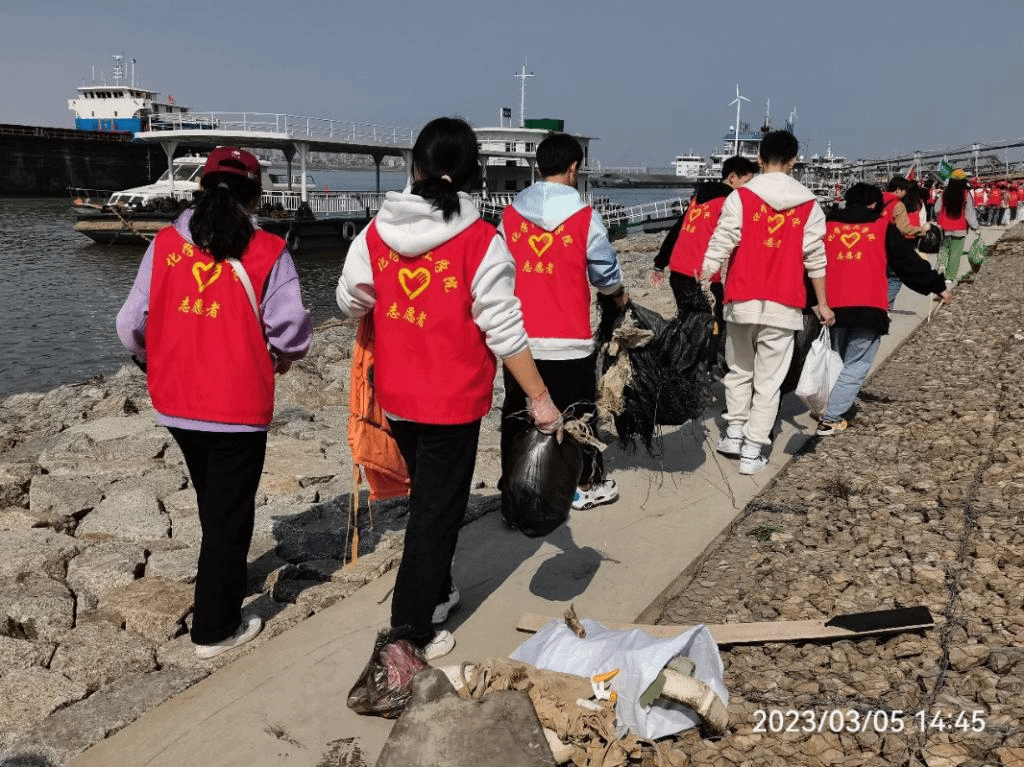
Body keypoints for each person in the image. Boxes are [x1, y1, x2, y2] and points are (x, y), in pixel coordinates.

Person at [335, 117, 562, 661]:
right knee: (435, 515)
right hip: (453, 403)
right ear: (472, 175)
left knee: (429, 500)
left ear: (413, 167)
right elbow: (505, 331)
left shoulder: (376, 233)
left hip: (397, 396)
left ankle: (436, 596)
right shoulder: (482, 241)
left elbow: (348, 301)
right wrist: (541, 399)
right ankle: (409, 630)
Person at [116, 146, 313, 659]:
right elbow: (290, 328)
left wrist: (150, 358)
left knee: (214, 500)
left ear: (201, 188)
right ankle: (215, 627)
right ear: (257, 196)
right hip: (237, 404)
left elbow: (130, 324)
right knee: (230, 514)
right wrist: (285, 356)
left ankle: (220, 577)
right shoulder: (268, 250)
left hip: (176, 400)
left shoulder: (165, 243)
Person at [498, 132, 626, 511]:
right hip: (570, 339)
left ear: (539, 167)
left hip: (519, 340)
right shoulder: (586, 218)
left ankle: (516, 489)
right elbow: (605, 274)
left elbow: (498, 273)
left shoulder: (509, 217)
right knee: (577, 414)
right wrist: (618, 295)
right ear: (574, 168)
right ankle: (583, 485)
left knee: (518, 413)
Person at [701, 130, 834, 475]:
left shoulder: (740, 197)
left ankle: (733, 432)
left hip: (741, 299)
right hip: (784, 304)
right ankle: (753, 449)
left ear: (759, 158)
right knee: (769, 381)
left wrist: (704, 275)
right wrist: (822, 303)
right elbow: (816, 258)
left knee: (738, 370)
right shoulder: (809, 204)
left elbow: (722, 240)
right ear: (793, 162)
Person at [815, 183, 952, 436]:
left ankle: (828, 404)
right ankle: (830, 417)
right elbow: (907, 262)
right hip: (869, 306)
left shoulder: (827, 227)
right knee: (856, 363)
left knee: (834, 360)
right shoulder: (881, 227)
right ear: (873, 204)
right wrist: (937, 285)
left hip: (832, 305)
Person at [649, 155, 758, 315]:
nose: (749, 188)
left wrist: (659, 264)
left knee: (690, 321)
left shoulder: (697, 199)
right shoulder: (729, 202)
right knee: (716, 321)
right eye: (747, 182)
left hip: (677, 272)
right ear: (733, 177)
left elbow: (676, 231)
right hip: (702, 277)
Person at [934, 169, 979, 282]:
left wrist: (939, 218)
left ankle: (940, 271)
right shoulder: (966, 194)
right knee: (955, 252)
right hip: (960, 228)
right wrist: (975, 227)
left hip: (945, 227)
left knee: (944, 249)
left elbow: (936, 208)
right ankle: (950, 276)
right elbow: (969, 213)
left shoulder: (944, 193)